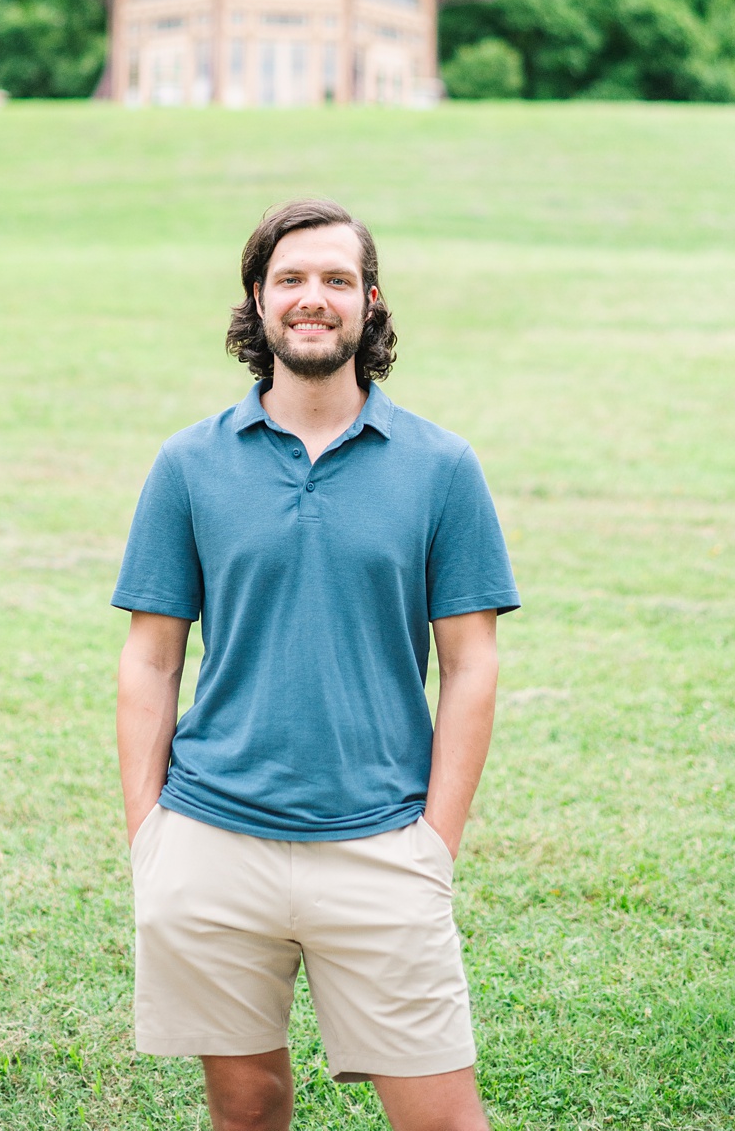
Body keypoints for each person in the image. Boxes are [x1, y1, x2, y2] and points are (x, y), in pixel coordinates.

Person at [113, 199, 519, 1131]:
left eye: (337, 280)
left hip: (381, 845)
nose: (313, 298)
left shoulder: (441, 466)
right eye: (291, 279)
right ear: (257, 301)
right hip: (212, 838)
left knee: (444, 1120)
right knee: (247, 1111)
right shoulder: (188, 465)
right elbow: (150, 659)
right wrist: (150, 836)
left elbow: (471, 665)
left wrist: (436, 842)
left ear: (369, 304)